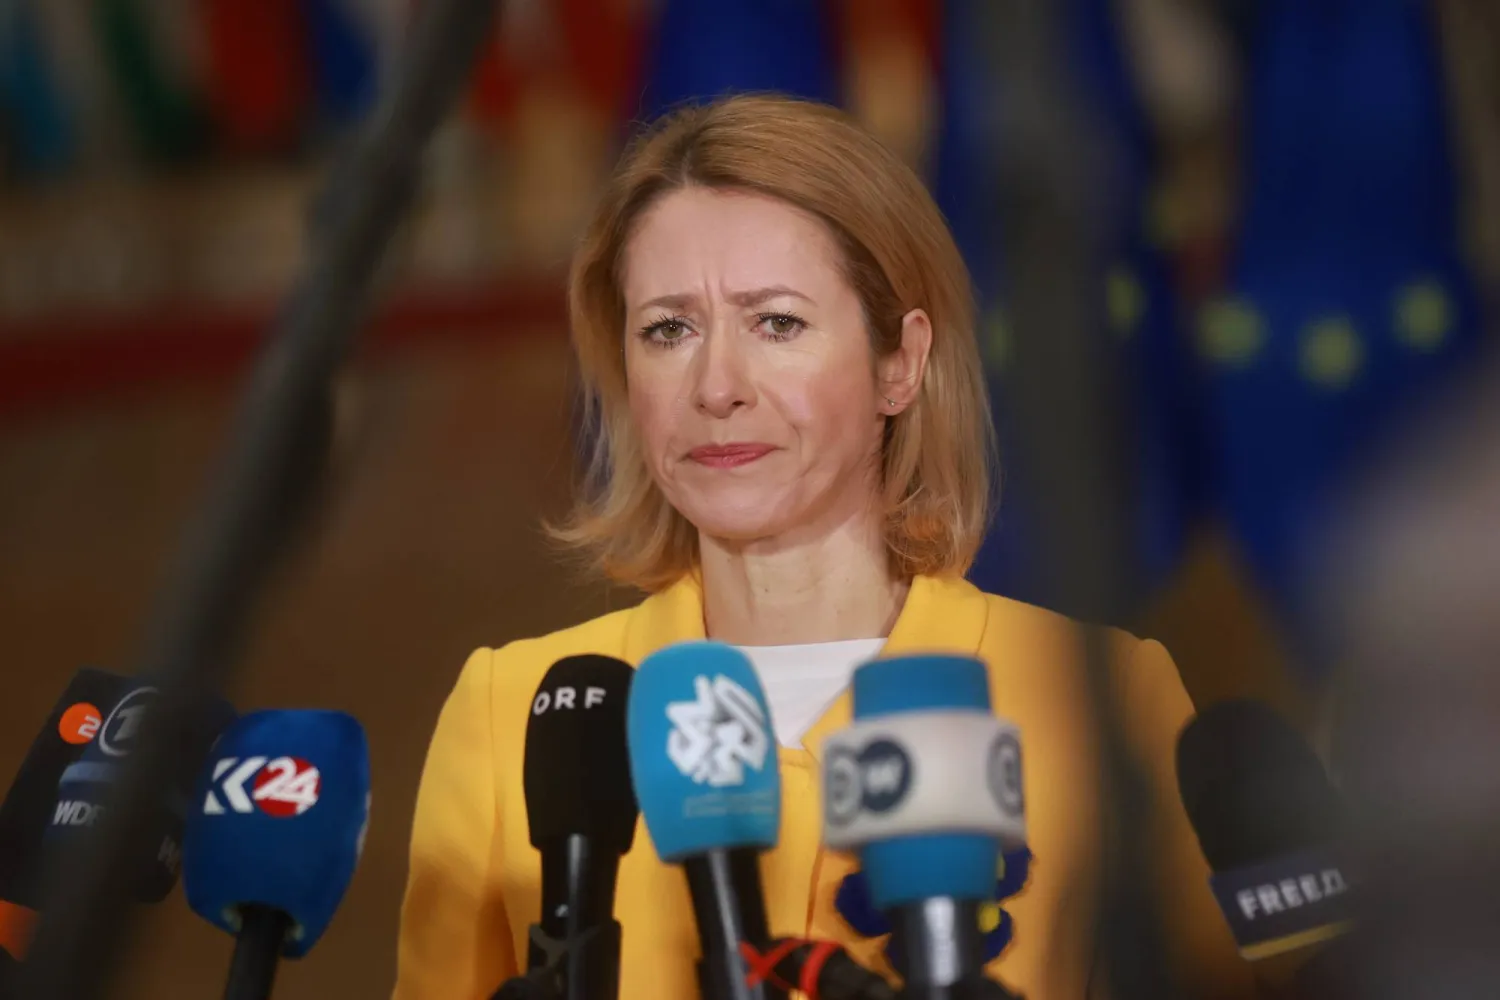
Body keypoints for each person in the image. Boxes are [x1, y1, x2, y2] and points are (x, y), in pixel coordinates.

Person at [392, 95, 1252, 1000]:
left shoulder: (1105, 696)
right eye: (668, 329)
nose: (715, 386)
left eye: (778, 323)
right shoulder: (515, 714)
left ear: (900, 364)